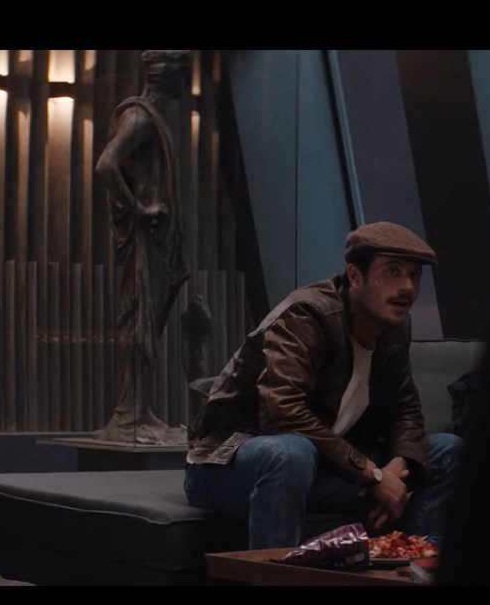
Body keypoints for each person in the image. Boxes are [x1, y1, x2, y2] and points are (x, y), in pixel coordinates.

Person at [184, 221, 460, 549]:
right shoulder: (307, 315)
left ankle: (404, 560)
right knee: (291, 452)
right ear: (354, 276)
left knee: (449, 450)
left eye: (414, 275)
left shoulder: (394, 328)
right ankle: (277, 572)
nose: (407, 288)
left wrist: (395, 472)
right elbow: (283, 413)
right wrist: (372, 474)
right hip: (229, 465)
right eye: (392, 272)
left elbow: (407, 411)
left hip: (324, 469)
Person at [94, 49, 192, 444]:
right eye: (183, 71)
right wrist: (140, 208)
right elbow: (106, 164)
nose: (187, 79)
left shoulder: (151, 117)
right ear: (168, 73)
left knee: (148, 323)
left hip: (155, 238)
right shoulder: (140, 118)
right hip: (144, 237)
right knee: (140, 319)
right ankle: (128, 416)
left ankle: (139, 409)